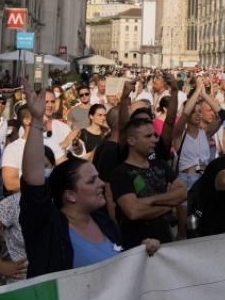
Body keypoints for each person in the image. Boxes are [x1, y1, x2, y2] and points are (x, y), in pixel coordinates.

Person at [19, 84, 160, 277]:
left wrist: (140, 250)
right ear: (70, 195)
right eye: (92, 181)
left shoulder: (103, 221)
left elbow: (120, 263)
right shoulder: (50, 228)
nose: (102, 183)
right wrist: (36, 121)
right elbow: (33, 182)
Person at [0, 148, 57, 281]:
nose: (40, 171)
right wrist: (0, 265)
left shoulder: (64, 199)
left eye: (45, 166)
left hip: (60, 279)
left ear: (53, 167)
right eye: (34, 167)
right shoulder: (14, 203)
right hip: (24, 284)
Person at [110, 116, 187, 249]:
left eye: (155, 135)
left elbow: (183, 193)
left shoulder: (161, 165)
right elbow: (133, 212)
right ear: (131, 141)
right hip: (139, 248)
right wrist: (169, 205)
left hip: (167, 242)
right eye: (148, 136)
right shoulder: (121, 173)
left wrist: (148, 201)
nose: (154, 140)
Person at [0, 106, 66, 192]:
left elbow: (66, 170)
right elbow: (10, 184)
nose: (45, 119)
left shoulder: (51, 142)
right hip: (25, 201)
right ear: (26, 121)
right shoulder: (12, 149)